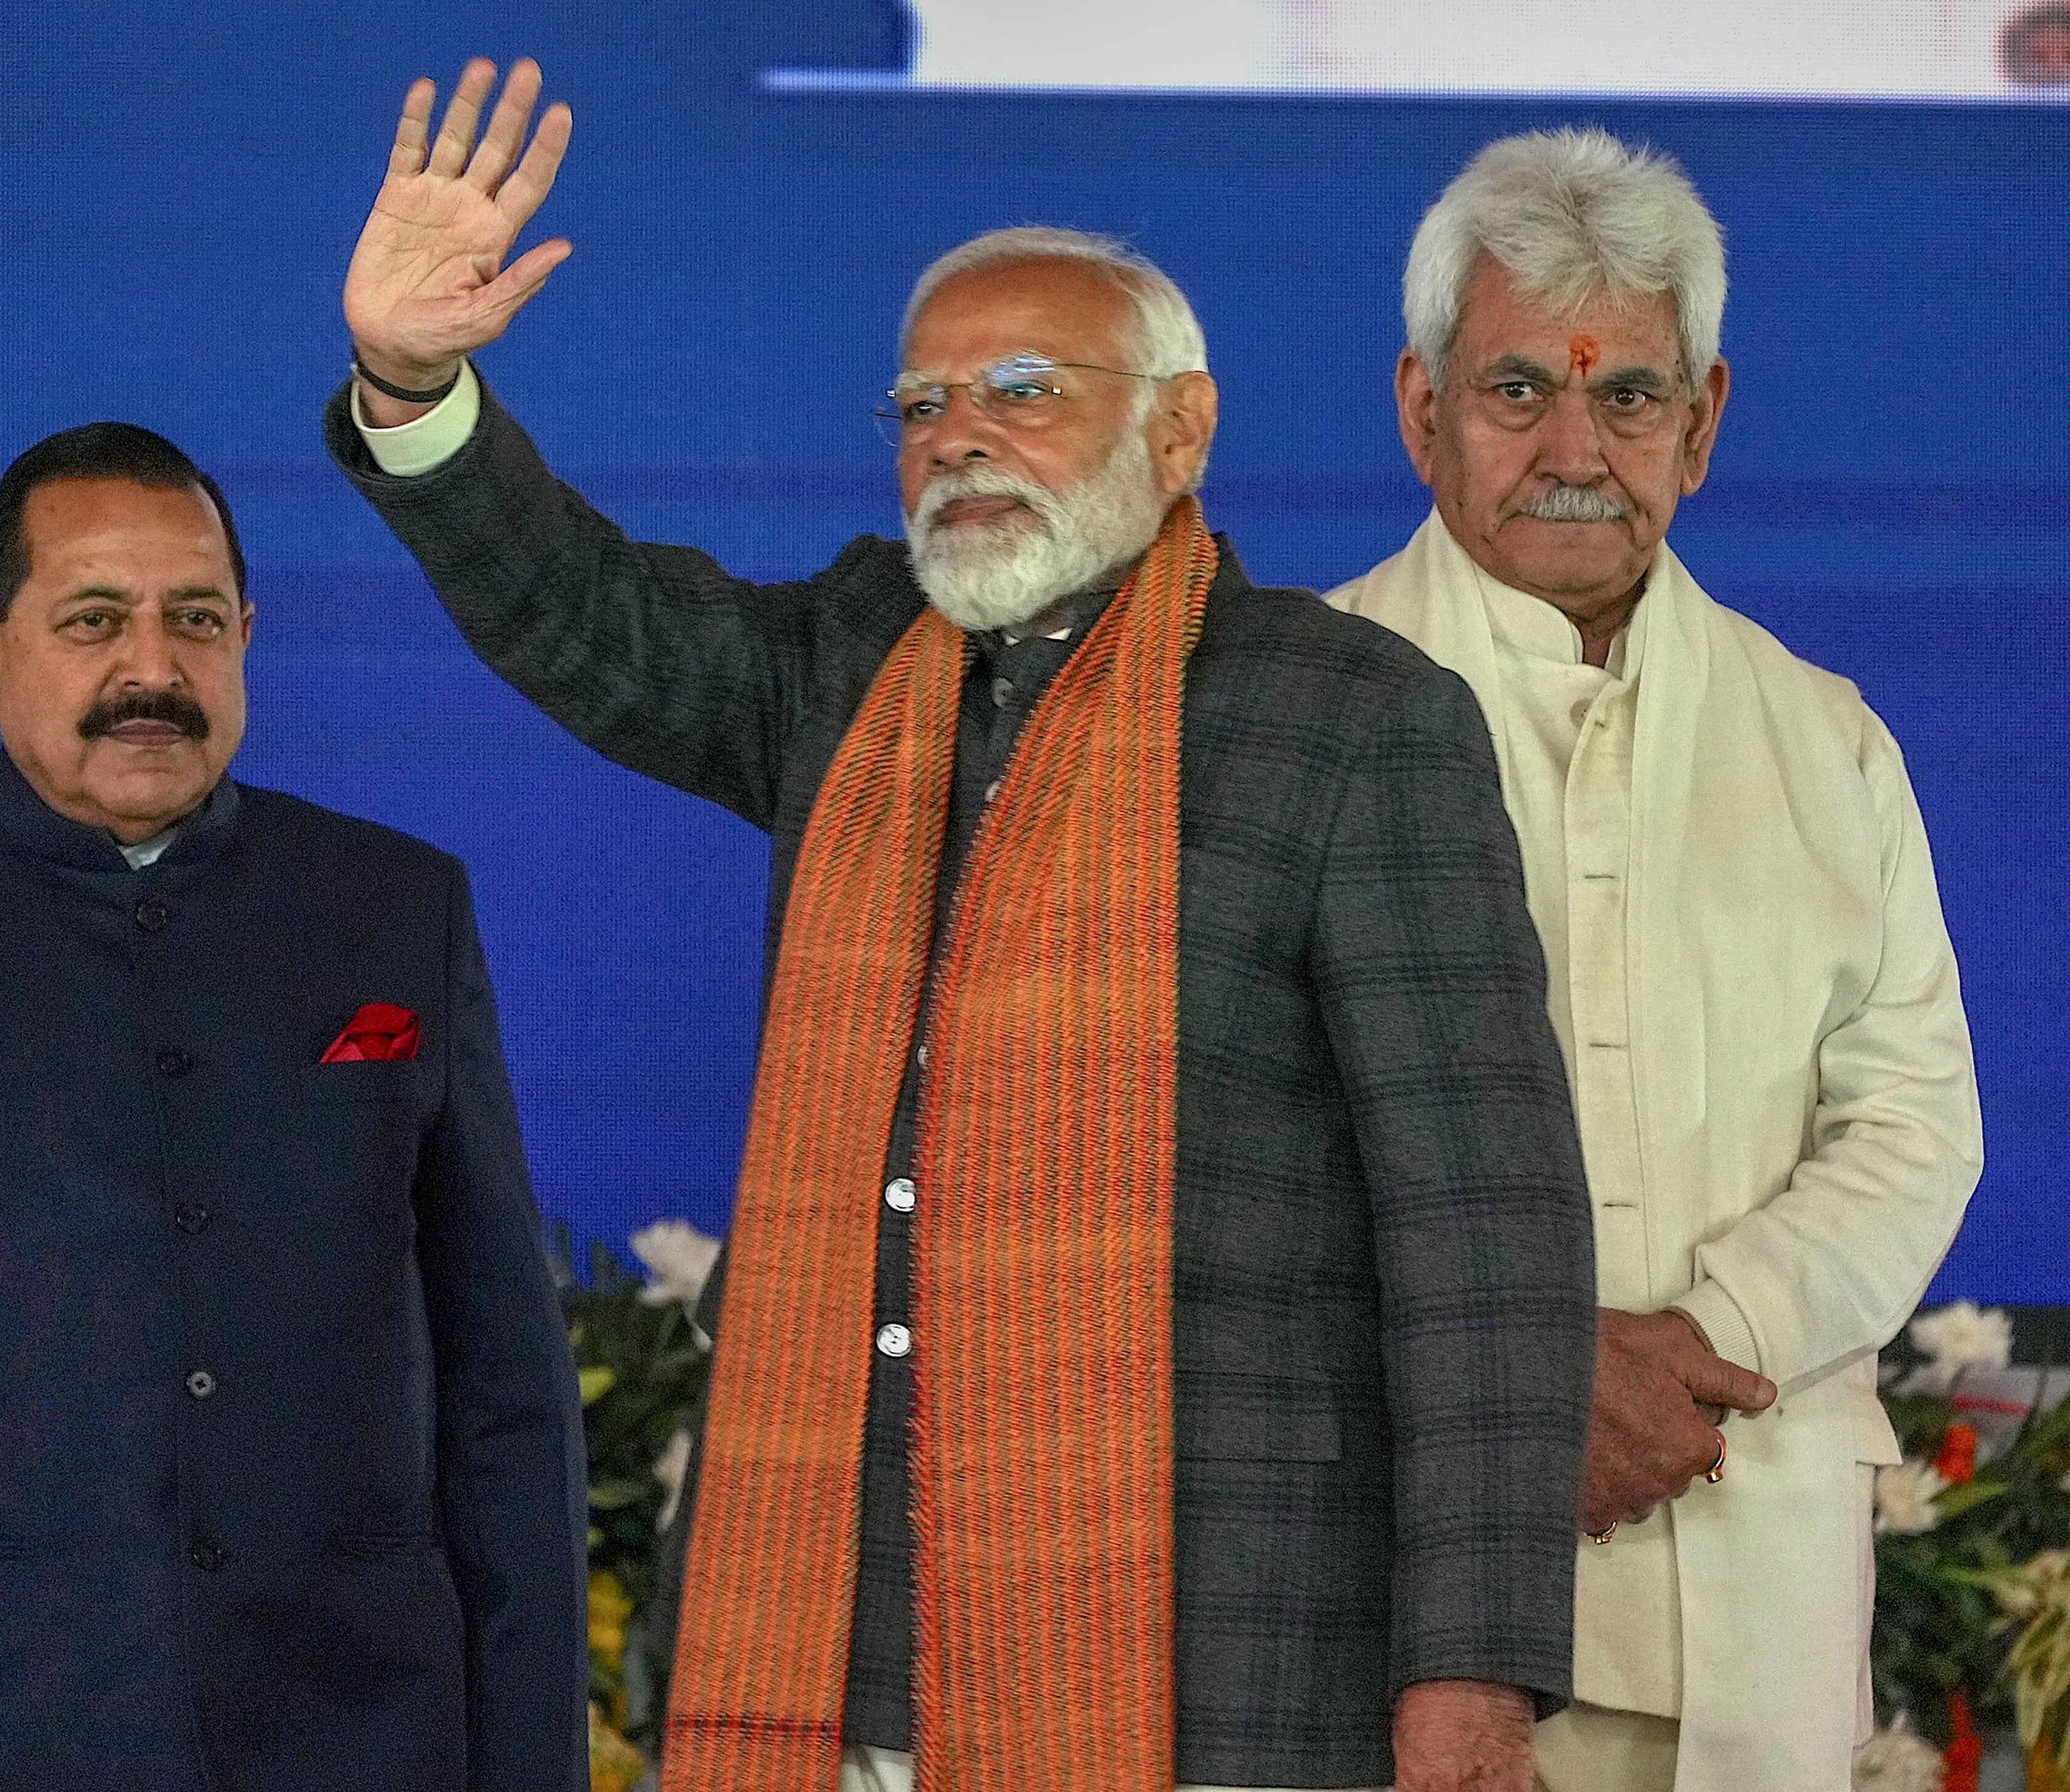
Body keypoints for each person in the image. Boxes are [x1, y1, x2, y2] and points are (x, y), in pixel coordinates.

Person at [329, 57, 1597, 1792]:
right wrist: (416, 383)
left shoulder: (1348, 719)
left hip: (1210, 1665)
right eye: (921, 406)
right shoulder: (847, 668)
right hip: (837, 1664)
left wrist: (1476, 1666)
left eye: (1022, 388)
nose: (961, 437)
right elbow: (591, 616)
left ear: (1179, 429)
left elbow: (1484, 1236)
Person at [0, 422, 590, 1792]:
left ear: (247, 638)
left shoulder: (395, 912)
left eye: (193, 619)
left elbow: (506, 1405)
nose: (152, 669)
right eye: (94, 620)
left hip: (353, 1739)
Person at [1327, 127, 1986, 1792]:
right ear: (1419, 409)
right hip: (1383, 1609)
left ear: (1700, 423)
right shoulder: (1283, 713)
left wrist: (1691, 1340)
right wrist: (1533, 1379)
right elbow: (1214, 1156)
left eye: (1626, 394)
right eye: (1515, 392)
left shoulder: (1824, 741)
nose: (1574, 445)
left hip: (1745, 1586)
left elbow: (1913, 1131)